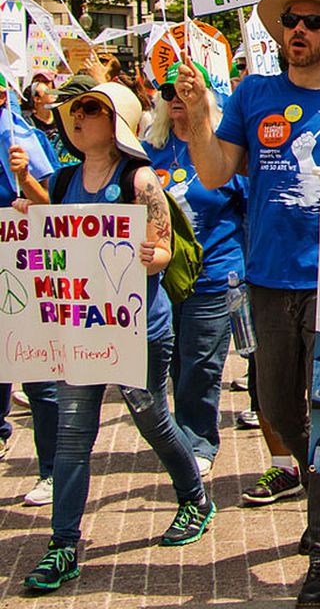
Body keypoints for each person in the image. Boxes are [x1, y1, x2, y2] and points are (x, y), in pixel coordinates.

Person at [175, 0, 320, 609]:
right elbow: (217, 171)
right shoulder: (252, 95)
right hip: (268, 282)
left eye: (311, 23)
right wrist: (196, 115)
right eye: (289, 23)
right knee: (276, 406)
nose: (297, 31)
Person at [17, 82, 214, 593]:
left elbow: (164, 248)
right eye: (72, 111)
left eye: (89, 110)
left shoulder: (140, 179)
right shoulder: (61, 183)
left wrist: (155, 257)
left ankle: (193, 496)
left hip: (139, 329)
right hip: (80, 331)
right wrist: (26, 213)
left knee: (151, 417)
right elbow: (55, 234)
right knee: (73, 433)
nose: (76, 118)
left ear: (116, 124)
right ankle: (63, 544)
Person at [143, 62, 247, 477]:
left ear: (205, 96)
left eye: (185, 93)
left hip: (217, 272)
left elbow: (247, 209)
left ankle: (197, 442)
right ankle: (179, 437)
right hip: (164, 279)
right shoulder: (148, 151)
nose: (177, 101)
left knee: (201, 363)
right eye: (169, 95)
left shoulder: (225, 148)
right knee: (174, 365)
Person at [1, 75, 59, 506]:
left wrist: (23, 179)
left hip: (22, 268)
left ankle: (52, 470)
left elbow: (54, 207)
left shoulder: (21, 138)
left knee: (39, 377)